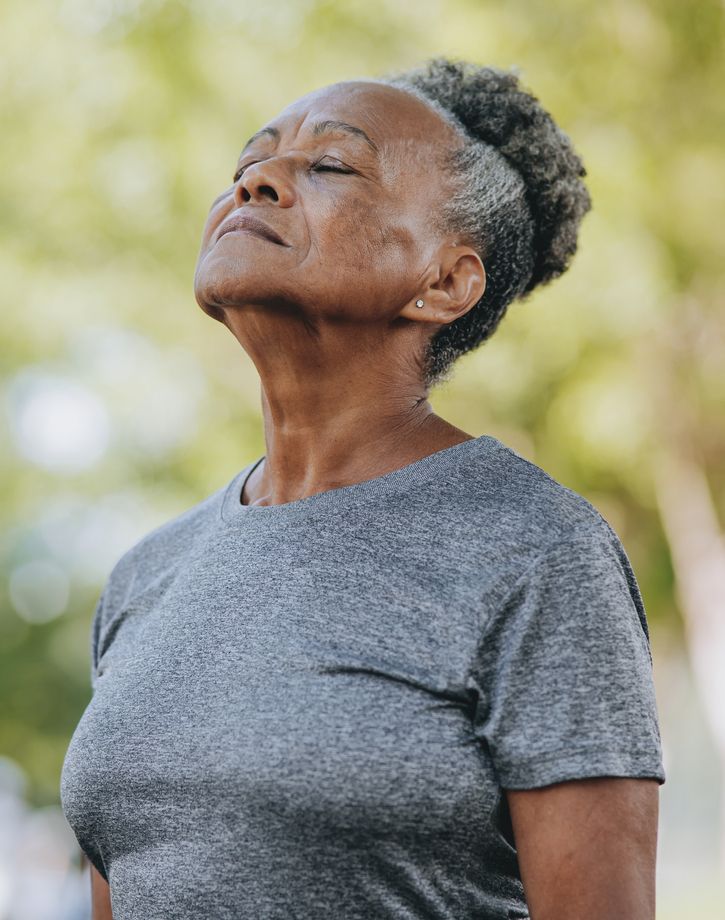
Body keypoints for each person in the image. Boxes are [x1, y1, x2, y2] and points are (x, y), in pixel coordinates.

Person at [61, 57, 666, 919]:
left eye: (330, 166)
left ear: (445, 281)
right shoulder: (145, 577)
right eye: (246, 166)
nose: (256, 184)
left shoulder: (535, 549)